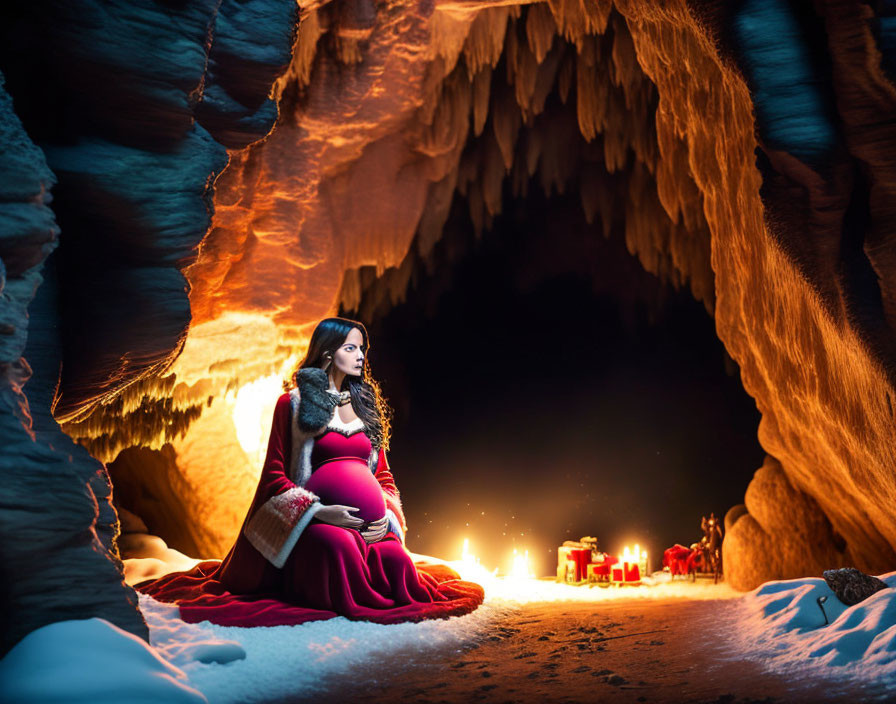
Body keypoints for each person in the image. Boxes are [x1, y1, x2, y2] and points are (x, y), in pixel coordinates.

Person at [135, 317, 484, 626]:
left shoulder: (366, 408)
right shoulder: (293, 404)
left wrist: (386, 518)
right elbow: (275, 477)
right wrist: (320, 513)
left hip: (370, 526)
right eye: (352, 348)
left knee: (395, 560)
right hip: (315, 525)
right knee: (336, 550)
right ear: (330, 352)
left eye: (363, 348)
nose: (362, 356)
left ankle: (377, 549)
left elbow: (384, 476)